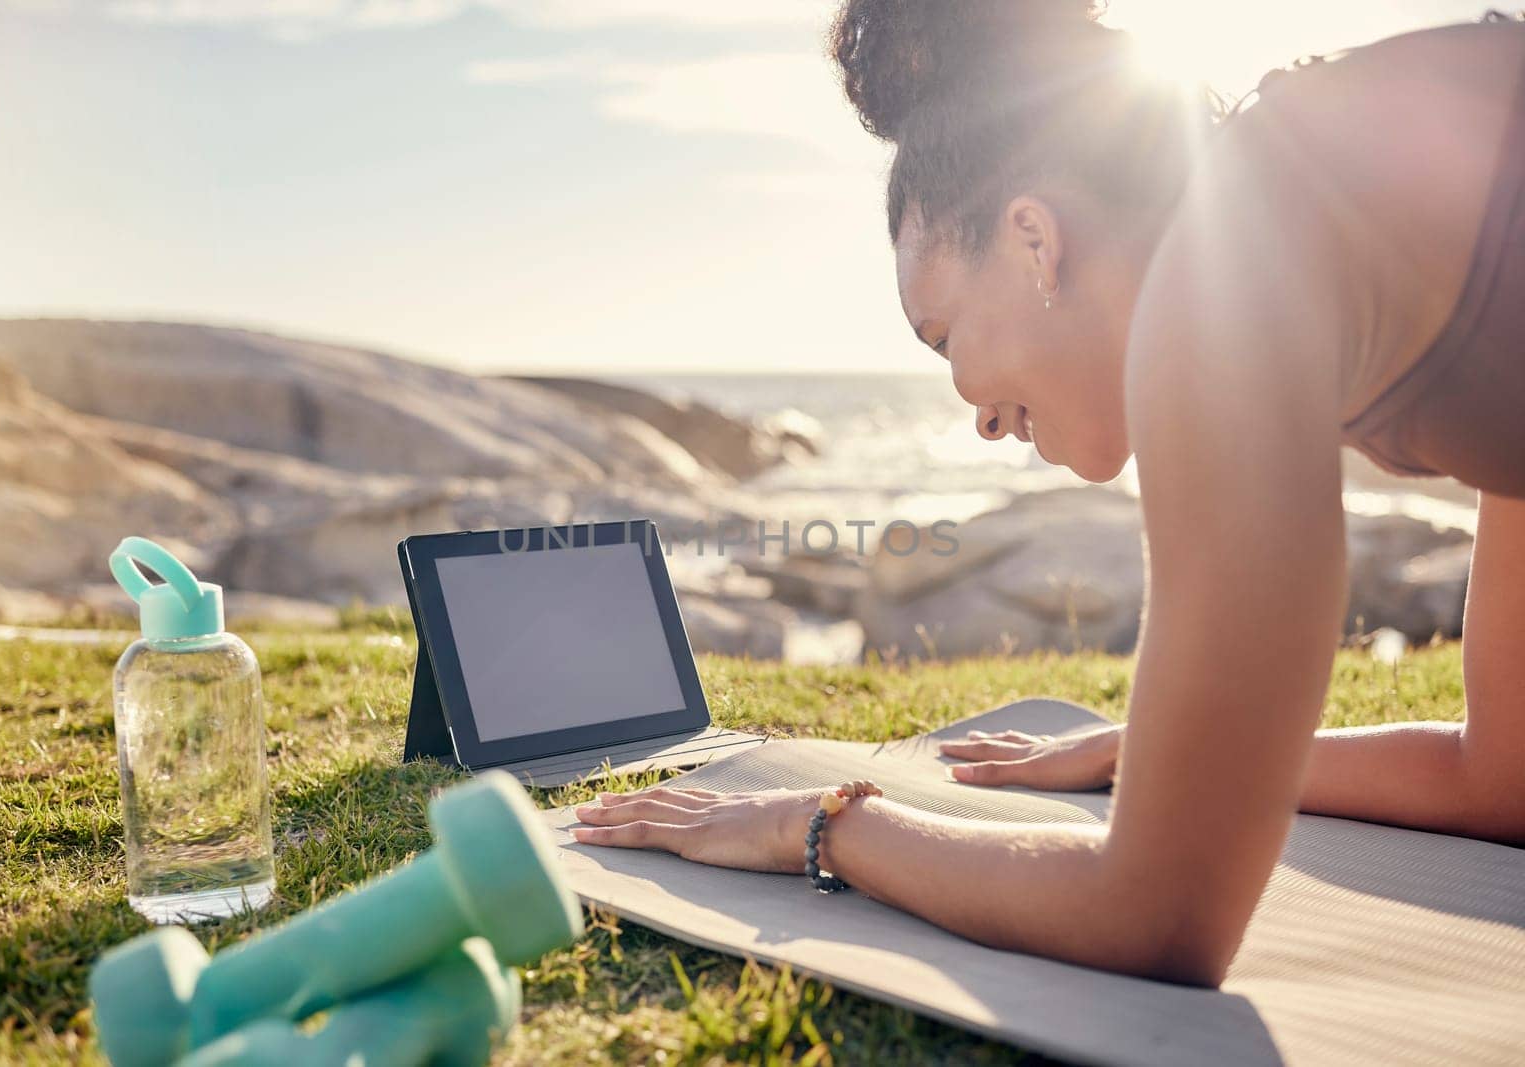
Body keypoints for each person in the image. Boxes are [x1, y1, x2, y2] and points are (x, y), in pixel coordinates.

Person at [573, 1, 1525, 986]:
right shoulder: (1330, 206)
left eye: (942, 339)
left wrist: (816, 823)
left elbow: (1151, 913)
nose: (976, 413)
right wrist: (1146, 752)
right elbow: (1503, 777)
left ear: (1034, 240)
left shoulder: (1225, 271)